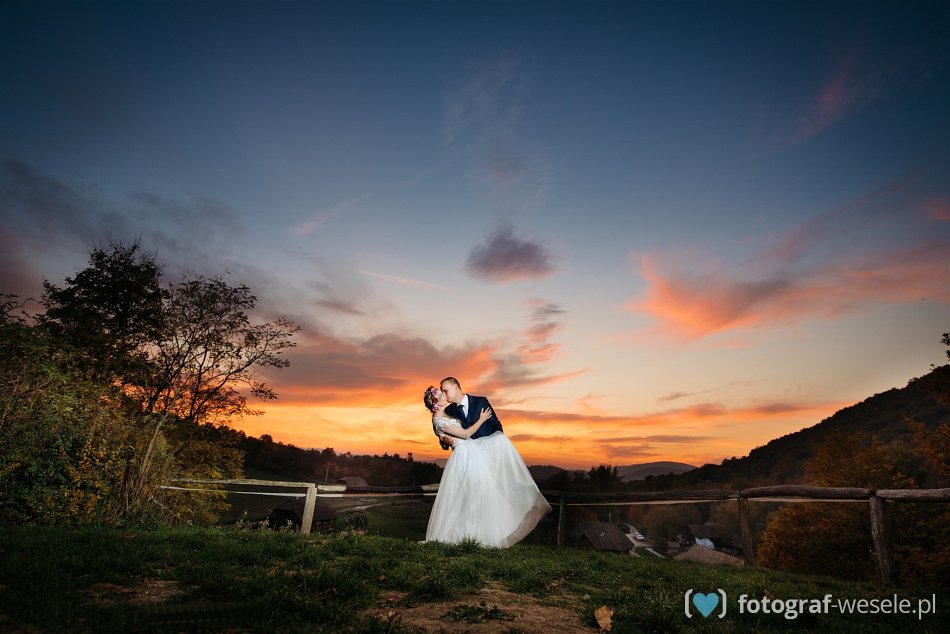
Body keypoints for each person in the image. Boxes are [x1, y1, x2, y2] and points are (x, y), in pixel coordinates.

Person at [422, 381, 552, 548]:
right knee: (471, 496)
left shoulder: (452, 411)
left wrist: (445, 440)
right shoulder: (441, 417)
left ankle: (477, 534)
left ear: (455, 387)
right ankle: (469, 536)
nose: (444, 395)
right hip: (464, 456)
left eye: (445, 392)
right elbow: (464, 434)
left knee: (481, 493)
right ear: (436, 403)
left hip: (473, 451)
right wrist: (481, 419)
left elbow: (447, 435)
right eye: (441, 394)